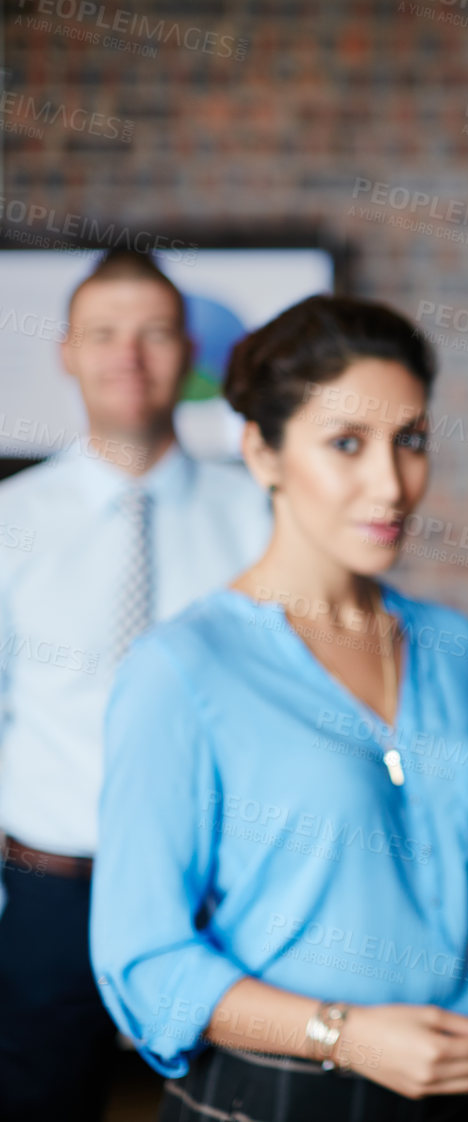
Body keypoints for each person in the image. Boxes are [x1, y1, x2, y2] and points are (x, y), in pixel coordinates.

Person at [90, 296, 468, 1122]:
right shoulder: (182, 669)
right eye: (347, 444)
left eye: (410, 441)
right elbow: (144, 960)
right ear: (262, 452)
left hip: (447, 1095)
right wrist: (342, 1035)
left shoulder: (453, 648)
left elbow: (454, 891)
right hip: (268, 1099)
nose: (391, 483)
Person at [0, 249, 274, 1121]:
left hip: (226, 897)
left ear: (188, 353)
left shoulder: (263, 518)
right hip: (50, 893)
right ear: (67, 352)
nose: (130, 356)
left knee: (235, 1106)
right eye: (104, 334)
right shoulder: (11, 524)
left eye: (155, 333)